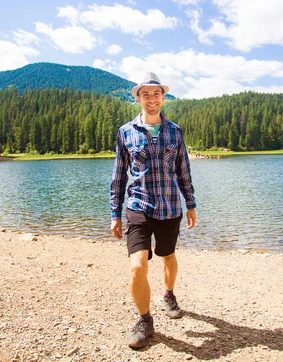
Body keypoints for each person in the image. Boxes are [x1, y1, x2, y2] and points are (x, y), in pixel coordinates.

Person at [110, 72, 197, 349]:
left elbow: (183, 170)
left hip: (171, 206)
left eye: (156, 94)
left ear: (163, 97)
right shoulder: (125, 132)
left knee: (168, 256)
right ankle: (144, 320)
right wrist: (115, 212)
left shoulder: (175, 131)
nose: (151, 99)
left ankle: (169, 294)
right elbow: (119, 176)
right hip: (138, 205)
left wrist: (191, 203)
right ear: (137, 98)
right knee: (137, 267)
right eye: (145, 94)